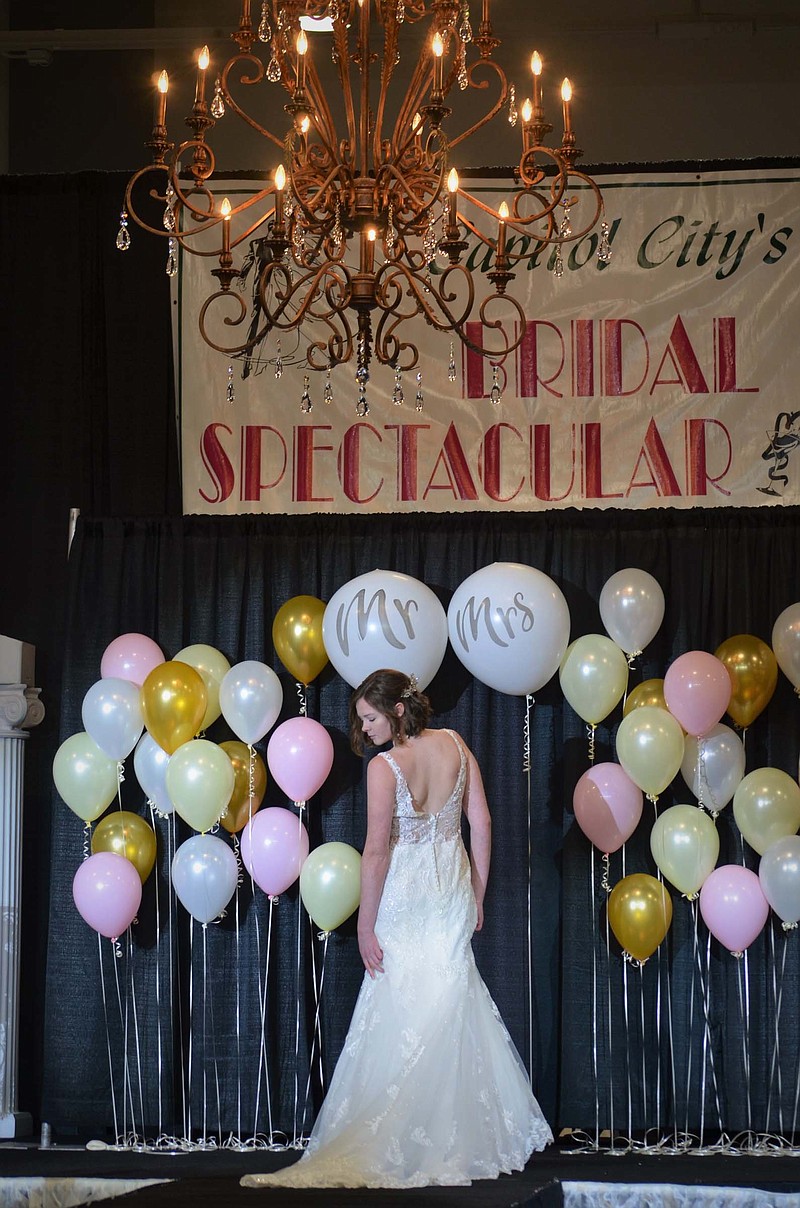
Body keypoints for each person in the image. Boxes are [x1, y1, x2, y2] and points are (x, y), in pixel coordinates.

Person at [241, 669, 552, 1190]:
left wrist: (365, 923)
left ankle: (411, 1137)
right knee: (449, 1000)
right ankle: (446, 1137)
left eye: (369, 717)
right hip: (450, 887)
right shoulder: (456, 743)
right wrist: (477, 891)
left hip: (407, 897)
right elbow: (483, 821)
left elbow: (378, 851)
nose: (364, 730)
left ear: (399, 710)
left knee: (410, 1005)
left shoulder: (384, 767)